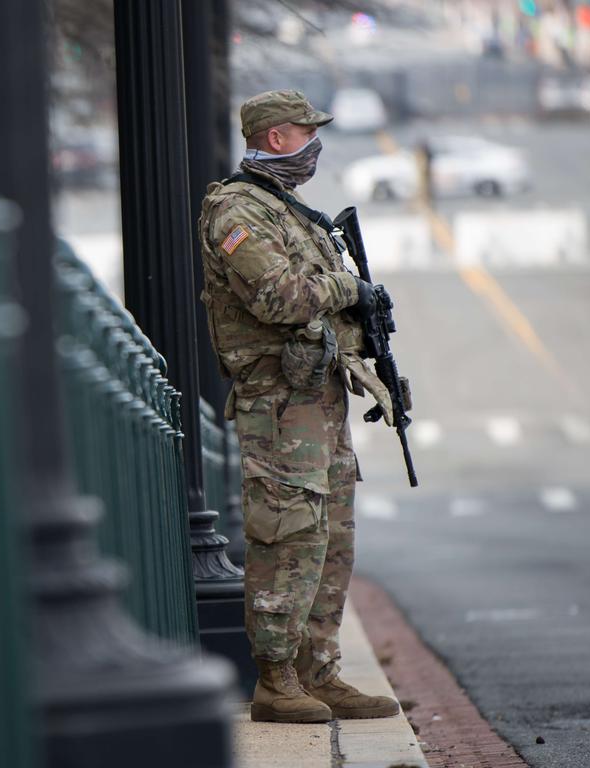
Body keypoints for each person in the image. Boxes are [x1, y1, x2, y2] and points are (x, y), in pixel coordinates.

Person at [197, 89, 400, 724]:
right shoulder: (236, 211)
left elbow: (322, 313)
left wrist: (368, 360)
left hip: (318, 395)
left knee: (332, 535)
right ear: (277, 138)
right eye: (305, 132)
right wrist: (349, 286)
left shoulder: (294, 212)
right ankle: (276, 679)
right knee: (288, 534)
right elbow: (281, 300)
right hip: (279, 404)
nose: (315, 145)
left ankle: (318, 671)